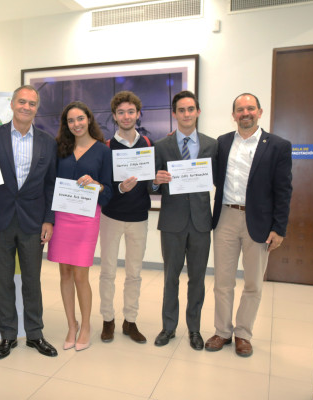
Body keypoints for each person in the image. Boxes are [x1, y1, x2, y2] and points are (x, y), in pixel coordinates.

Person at [205, 93, 292, 357]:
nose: (245, 113)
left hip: (260, 222)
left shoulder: (278, 145)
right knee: (223, 281)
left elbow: (283, 190)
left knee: (253, 283)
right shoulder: (222, 142)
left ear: (259, 112)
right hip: (226, 217)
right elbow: (208, 174)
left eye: (250, 108)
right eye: (240, 109)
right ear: (233, 115)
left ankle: (243, 333)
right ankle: (222, 331)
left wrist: (279, 228)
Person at [0, 85, 58, 359]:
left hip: (33, 222)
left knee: (32, 280)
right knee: (3, 281)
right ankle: (8, 335)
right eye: (22, 102)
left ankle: (35, 334)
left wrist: (49, 219)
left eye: (32, 103)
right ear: (12, 104)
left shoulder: (48, 142)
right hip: (0, 219)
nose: (26, 107)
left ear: (37, 108)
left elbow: (51, 184)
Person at [150, 91, 217, 350]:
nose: (186, 114)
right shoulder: (161, 146)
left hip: (201, 222)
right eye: (181, 110)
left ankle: (194, 329)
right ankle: (168, 327)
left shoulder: (212, 145)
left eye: (191, 109)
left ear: (198, 112)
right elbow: (151, 185)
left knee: (198, 279)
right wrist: (155, 181)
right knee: (171, 277)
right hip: (172, 221)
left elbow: (218, 179)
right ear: (174, 114)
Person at [47, 101, 113, 351]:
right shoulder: (60, 148)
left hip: (86, 218)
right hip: (62, 216)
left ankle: (85, 325)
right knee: (64, 272)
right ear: (66, 124)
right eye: (71, 120)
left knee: (80, 275)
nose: (76, 124)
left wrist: (96, 184)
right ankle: (71, 325)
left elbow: (108, 191)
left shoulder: (103, 151)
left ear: (89, 119)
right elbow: (50, 184)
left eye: (80, 119)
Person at [99, 91, 152, 344]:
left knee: (134, 273)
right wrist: (120, 188)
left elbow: (152, 182)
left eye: (131, 112)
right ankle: (107, 319)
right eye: (121, 112)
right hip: (111, 216)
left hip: (139, 218)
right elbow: (103, 185)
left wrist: (157, 181)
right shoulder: (106, 147)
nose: (126, 116)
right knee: (107, 271)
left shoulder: (149, 144)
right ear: (114, 116)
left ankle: (130, 320)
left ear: (138, 114)